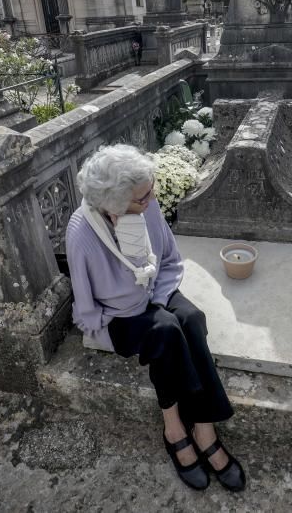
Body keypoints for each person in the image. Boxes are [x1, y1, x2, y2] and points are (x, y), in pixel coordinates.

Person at [66, 145, 245, 492]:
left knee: (191, 319)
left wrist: (159, 300)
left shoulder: (145, 202)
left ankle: (203, 427)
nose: (151, 199)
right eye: (141, 198)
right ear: (114, 203)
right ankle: (178, 428)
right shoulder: (81, 232)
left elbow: (170, 260)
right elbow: (86, 305)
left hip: (155, 291)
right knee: (165, 331)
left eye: (150, 191)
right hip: (120, 316)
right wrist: (109, 327)